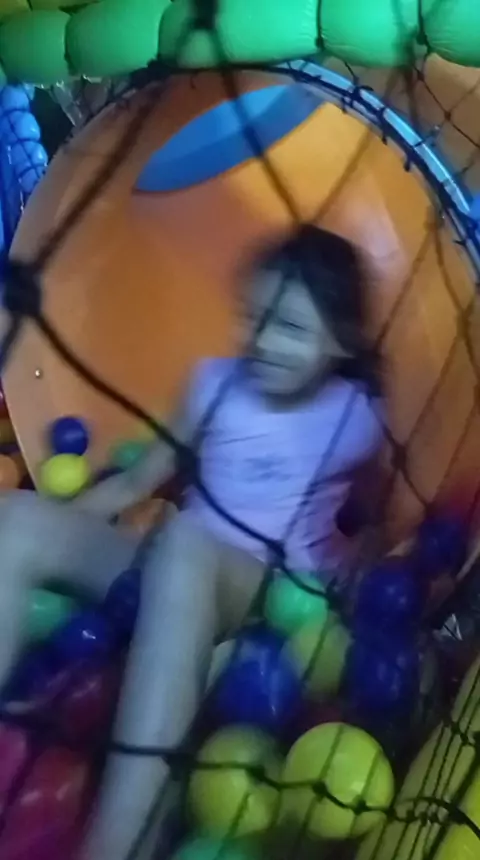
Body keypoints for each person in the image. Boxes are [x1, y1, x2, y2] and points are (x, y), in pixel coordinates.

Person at [0, 225, 385, 860]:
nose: (264, 341)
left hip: (262, 596)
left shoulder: (359, 417)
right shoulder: (213, 384)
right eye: (254, 318)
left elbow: (372, 518)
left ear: (341, 341)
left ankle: (121, 842)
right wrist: (57, 517)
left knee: (183, 540)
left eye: (290, 326)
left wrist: (359, 570)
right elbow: (135, 484)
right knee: (18, 518)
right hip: (173, 575)